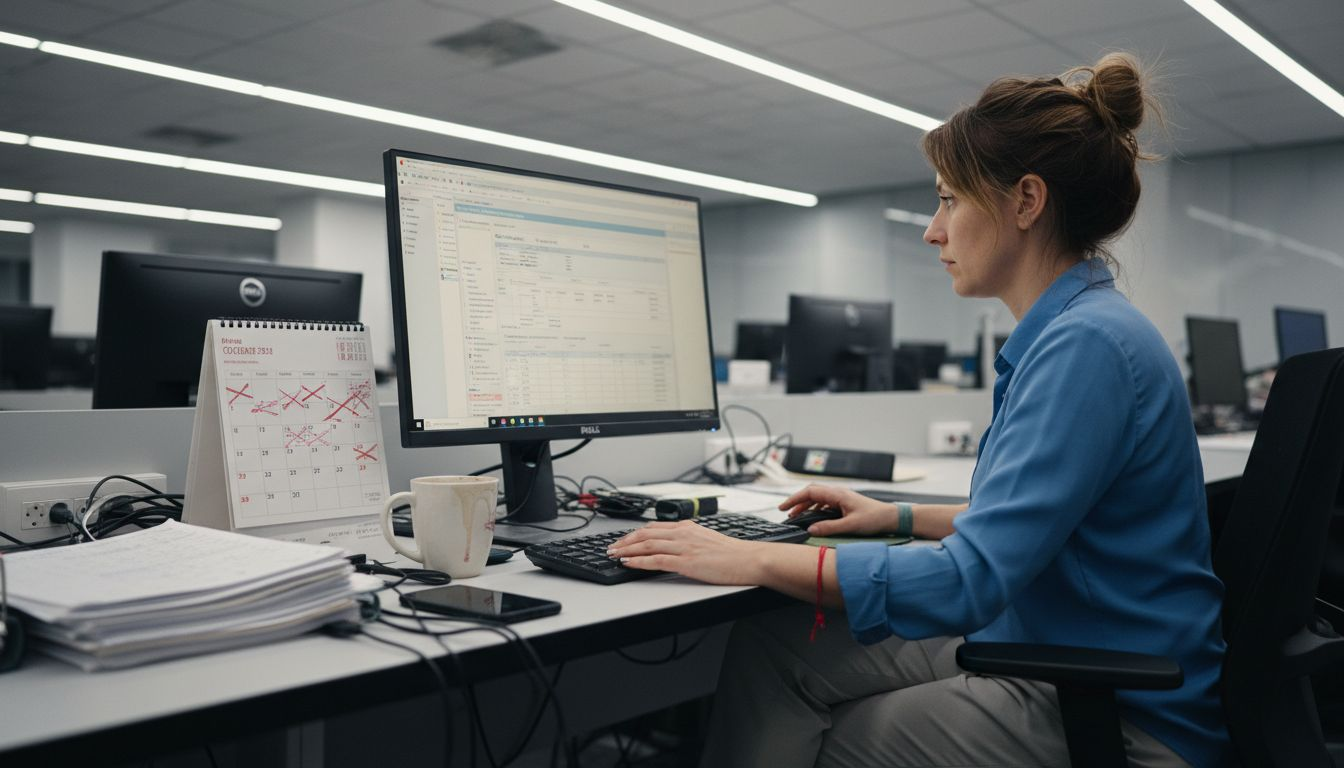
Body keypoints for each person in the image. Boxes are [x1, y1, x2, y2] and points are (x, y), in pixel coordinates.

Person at [607, 52, 1228, 768]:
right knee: (773, 650)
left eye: (949, 200)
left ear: (1026, 201)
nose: (933, 231)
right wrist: (894, 516)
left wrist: (748, 558)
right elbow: (1039, 526)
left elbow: (970, 580)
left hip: (1121, 710)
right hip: (1068, 642)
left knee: (840, 740)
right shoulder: (1083, 330)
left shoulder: (1084, 348)